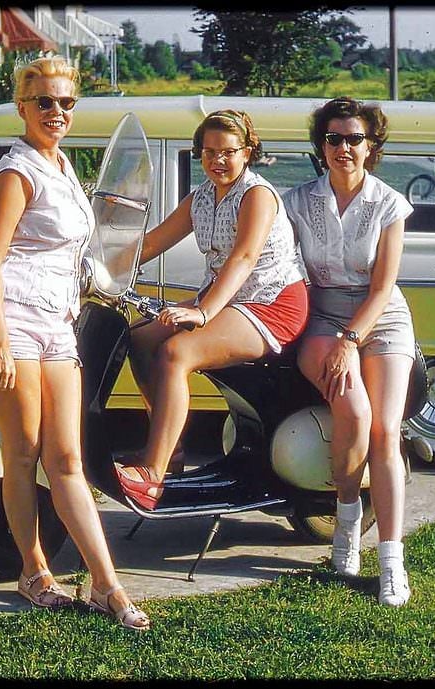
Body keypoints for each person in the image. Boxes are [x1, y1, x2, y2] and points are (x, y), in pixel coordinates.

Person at [0, 56, 149, 630]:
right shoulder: (15, 172)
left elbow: (68, 251)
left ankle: (106, 586)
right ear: (22, 107)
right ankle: (34, 571)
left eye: (66, 102)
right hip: (6, 319)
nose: (57, 112)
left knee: (67, 457)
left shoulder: (62, 166)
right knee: (22, 451)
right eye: (44, 102)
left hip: (54, 320)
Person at [115, 109, 309, 510]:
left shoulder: (257, 195)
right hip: (224, 299)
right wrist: (98, 263)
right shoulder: (201, 197)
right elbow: (151, 243)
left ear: (248, 151)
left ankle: (152, 473)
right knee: (138, 339)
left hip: (270, 303)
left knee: (176, 352)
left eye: (227, 152)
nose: (217, 161)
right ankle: (173, 449)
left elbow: (244, 258)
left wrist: (202, 313)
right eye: (208, 153)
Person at [282, 97, 432, 608]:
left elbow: (383, 286)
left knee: (386, 430)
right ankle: (346, 525)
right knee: (352, 408)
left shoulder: (389, 204)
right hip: (322, 314)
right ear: (320, 147)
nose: (343, 148)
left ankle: (392, 561)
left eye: (354, 139)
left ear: (372, 147)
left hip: (382, 313)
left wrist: (352, 342)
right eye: (333, 139)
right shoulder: (296, 201)